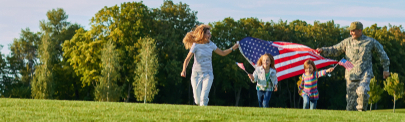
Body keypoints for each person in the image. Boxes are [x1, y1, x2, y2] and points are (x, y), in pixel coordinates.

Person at [316, 21, 390, 111]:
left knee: (362, 92)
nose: (351, 33)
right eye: (350, 31)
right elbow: (335, 49)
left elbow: (382, 54)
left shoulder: (370, 42)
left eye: (353, 31)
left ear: (360, 30)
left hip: (365, 74)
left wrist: (386, 69)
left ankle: (362, 114)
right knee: (350, 107)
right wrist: (322, 50)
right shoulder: (347, 42)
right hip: (351, 76)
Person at [180, 24, 239, 106]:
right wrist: (183, 70)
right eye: (208, 34)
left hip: (208, 74)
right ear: (203, 34)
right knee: (197, 100)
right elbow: (187, 59)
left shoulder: (211, 45)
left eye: (210, 34)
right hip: (196, 75)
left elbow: (222, 53)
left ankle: (203, 116)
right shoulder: (196, 45)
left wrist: (233, 48)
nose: (210, 35)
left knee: (203, 98)